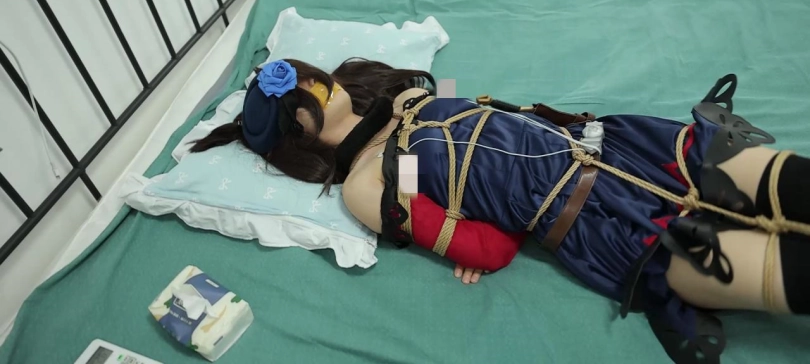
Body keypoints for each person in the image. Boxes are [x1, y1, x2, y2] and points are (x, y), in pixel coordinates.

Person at [192, 57, 810, 364]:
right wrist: (465, 228)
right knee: (779, 270)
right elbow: (487, 244)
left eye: (306, 75)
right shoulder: (367, 181)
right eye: (300, 92)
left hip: (617, 143)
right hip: (595, 220)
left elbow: (473, 114)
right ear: (296, 133)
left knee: (783, 180)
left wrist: (423, 115)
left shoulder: (408, 96)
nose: (313, 84)